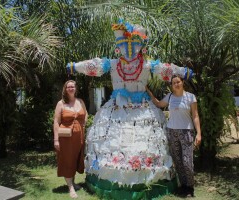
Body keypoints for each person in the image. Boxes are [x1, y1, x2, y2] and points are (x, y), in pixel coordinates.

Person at [66, 20, 194, 199]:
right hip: (116, 108)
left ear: (140, 46)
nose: (130, 50)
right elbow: (93, 65)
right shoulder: (112, 64)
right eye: (125, 46)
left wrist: (182, 72)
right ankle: (109, 179)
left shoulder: (148, 64)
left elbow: (166, 69)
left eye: (134, 46)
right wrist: (75, 67)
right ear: (118, 47)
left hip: (143, 109)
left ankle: (153, 182)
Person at [146, 75, 201, 197]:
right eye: (174, 83)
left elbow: (195, 116)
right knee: (178, 161)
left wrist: (199, 133)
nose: (176, 84)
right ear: (171, 85)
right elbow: (159, 104)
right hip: (172, 132)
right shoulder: (170, 97)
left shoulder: (190, 97)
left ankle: (190, 187)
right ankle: (183, 186)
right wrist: (148, 91)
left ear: (182, 83)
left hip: (186, 132)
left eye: (178, 82)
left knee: (187, 161)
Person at [53, 80, 88, 199]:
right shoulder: (61, 103)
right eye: (68, 87)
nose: (71, 88)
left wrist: (83, 125)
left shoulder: (80, 101)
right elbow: (56, 122)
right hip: (66, 138)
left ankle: (73, 182)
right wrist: (56, 140)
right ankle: (70, 187)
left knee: (75, 159)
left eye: (73, 86)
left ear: (75, 88)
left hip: (79, 137)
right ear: (65, 89)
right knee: (68, 160)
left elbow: (86, 114)